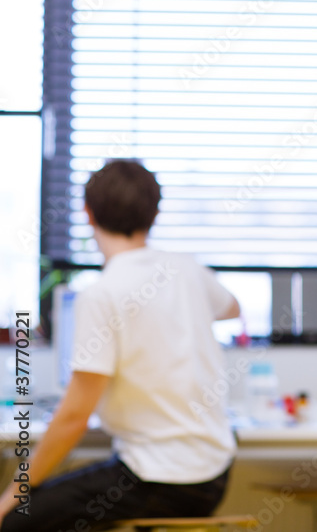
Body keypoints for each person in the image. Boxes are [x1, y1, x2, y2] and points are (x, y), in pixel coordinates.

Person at [0, 159, 241, 531]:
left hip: (159, 480)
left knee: (17, 521)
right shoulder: (186, 268)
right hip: (215, 474)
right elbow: (231, 308)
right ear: (155, 213)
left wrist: (12, 496)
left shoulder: (101, 295)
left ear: (88, 213)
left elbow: (74, 417)